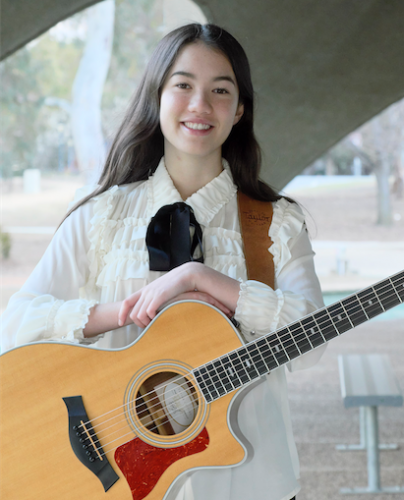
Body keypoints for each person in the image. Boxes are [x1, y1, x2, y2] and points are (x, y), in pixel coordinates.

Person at [1, 23, 325, 500]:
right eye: (184, 85)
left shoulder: (274, 224)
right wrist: (123, 312)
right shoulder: (101, 214)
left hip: (251, 481)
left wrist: (201, 278)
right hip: (116, 478)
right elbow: (16, 326)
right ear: (157, 97)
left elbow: (312, 338)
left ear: (239, 110)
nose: (200, 105)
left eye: (220, 90)